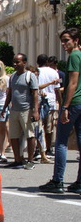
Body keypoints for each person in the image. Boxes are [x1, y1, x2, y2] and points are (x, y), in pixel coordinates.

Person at [40, 28, 81, 194]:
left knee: (61, 142)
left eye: (66, 40)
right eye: (62, 41)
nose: (63, 44)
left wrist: (64, 106)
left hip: (73, 103)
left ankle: (58, 179)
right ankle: (79, 182)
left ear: (76, 40)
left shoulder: (73, 56)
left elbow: (72, 83)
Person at [2, 53, 40, 170]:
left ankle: (30, 160)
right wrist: (4, 107)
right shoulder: (13, 76)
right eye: (14, 62)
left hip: (26, 110)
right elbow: (10, 93)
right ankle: (17, 159)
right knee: (13, 136)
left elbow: (35, 94)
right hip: (14, 110)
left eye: (17, 62)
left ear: (24, 63)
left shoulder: (30, 76)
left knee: (29, 135)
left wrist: (35, 110)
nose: (15, 64)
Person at [36, 54, 62, 160]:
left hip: (38, 101)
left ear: (37, 62)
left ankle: (39, 149)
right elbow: (57, 90)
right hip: (51, 101)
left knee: (38, 126)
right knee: (49, 128)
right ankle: (48, 149)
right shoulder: (53, 72)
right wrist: (60, 103)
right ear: (47, 62)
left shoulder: (35, 72)